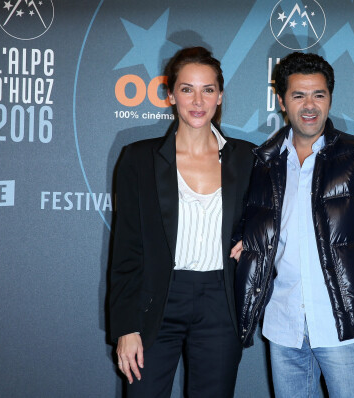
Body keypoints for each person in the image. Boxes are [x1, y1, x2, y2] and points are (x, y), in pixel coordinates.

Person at [231, 52, 354, 397]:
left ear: (329, 98)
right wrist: (243, 241)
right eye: (298, 95)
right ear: (281, 101)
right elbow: (250, 222)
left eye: (319, 95)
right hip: (284, 327)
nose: (309, 105)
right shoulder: (263, 163)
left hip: (342, 327)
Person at [109, 47, 255, 398]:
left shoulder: (249, 158)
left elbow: (271, 221)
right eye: (187, 88)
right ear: (171, 93)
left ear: (220, 96)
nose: (198, 100)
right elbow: (126, 248)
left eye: (207, 89)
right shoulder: (138, 159)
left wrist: (254, 240)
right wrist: (126, 327)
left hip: (221, 303)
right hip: (155, 301)